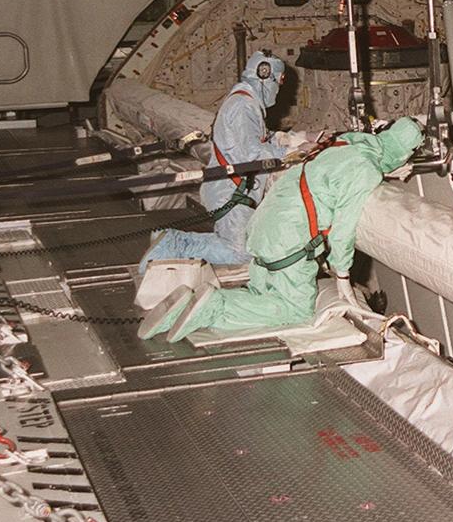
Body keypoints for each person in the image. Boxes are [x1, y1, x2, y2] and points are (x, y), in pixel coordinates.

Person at [138, 117, 423, 341]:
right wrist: (343, 274)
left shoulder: (345, 145)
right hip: (289, 239)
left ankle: (183, 302)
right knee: (295, 309)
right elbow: (342, 231)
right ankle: (216, 307)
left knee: (262, 294)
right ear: (404, 152)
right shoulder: (365, 170)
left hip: (263, 225)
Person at [138, 52, 294, 271]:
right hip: (231, 190)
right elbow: (252, 153)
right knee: (240, 252)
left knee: (238, 246)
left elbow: (246, 140)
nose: (278, 87)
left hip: (229, 187)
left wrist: (276, 139)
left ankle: (172, 240)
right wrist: (290, 150)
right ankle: (175, 243)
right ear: (265, 76)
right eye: (278, 81)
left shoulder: (244, 101)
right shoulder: (244, 106)